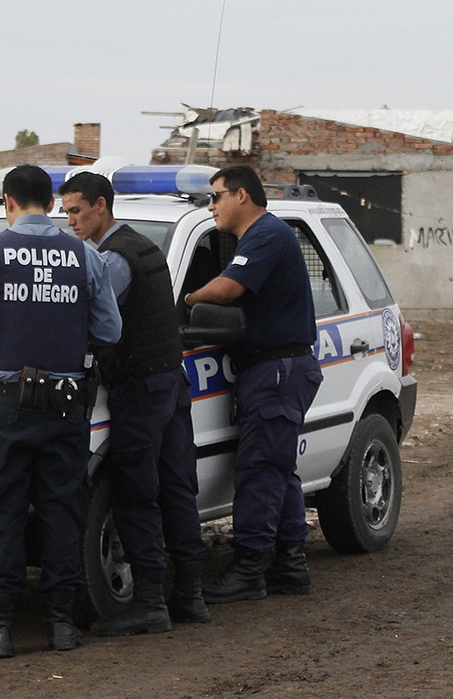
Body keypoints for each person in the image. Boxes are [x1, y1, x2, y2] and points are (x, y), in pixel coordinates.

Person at [0, 164, 121, 658]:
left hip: (6, 406)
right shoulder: (86, 255)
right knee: (63, 509)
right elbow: (109, 332)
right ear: (50, 203)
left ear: (8, 202)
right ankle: (62, 626)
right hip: (67, 406)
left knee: (1, 509)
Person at [58, 172, 209, 635]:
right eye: (65, 213)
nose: (70, 221)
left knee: (136, 491)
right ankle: (189, 595)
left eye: (76, 211)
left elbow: (89, 320)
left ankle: (149, 602)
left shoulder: (113, 260)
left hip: (139, 389)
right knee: (176, 486)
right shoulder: (142, 247)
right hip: (167, 382)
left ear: (101, 206)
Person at [184, 165, 323, 603]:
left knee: (260, 470)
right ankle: (290, 564)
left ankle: (248, 569)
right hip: (278, 368)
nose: (211, 207)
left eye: (216, 197)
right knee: (278, 470)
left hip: (276, 371)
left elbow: (228, 289)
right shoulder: (263, 236)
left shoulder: (266, 234)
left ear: (241, 196)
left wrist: (184, 300)